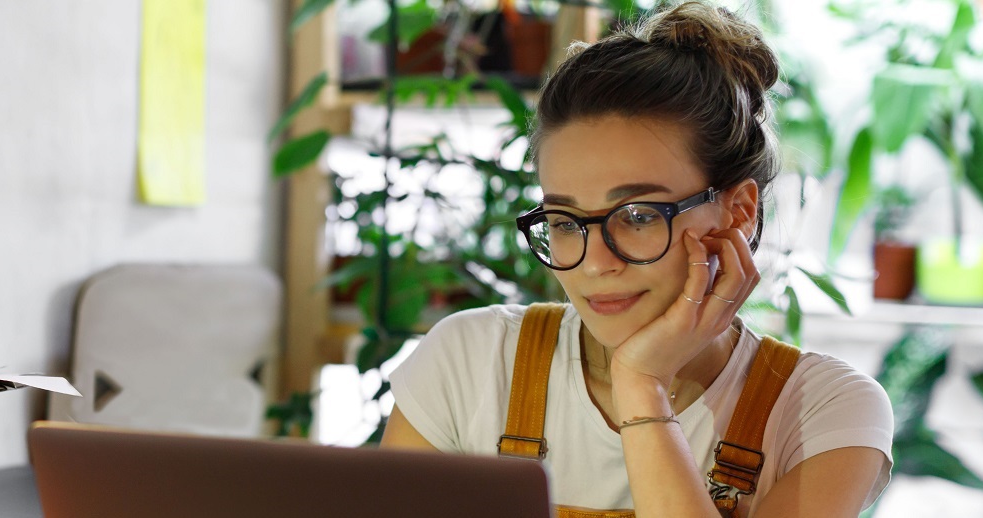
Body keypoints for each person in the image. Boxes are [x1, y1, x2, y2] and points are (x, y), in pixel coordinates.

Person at [379, 2, 894, 517]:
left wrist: (642, 386)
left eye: (639, 215)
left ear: (737, 213)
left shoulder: (823, 410)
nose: (596, 263)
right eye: (565, 222)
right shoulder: (470, 362)